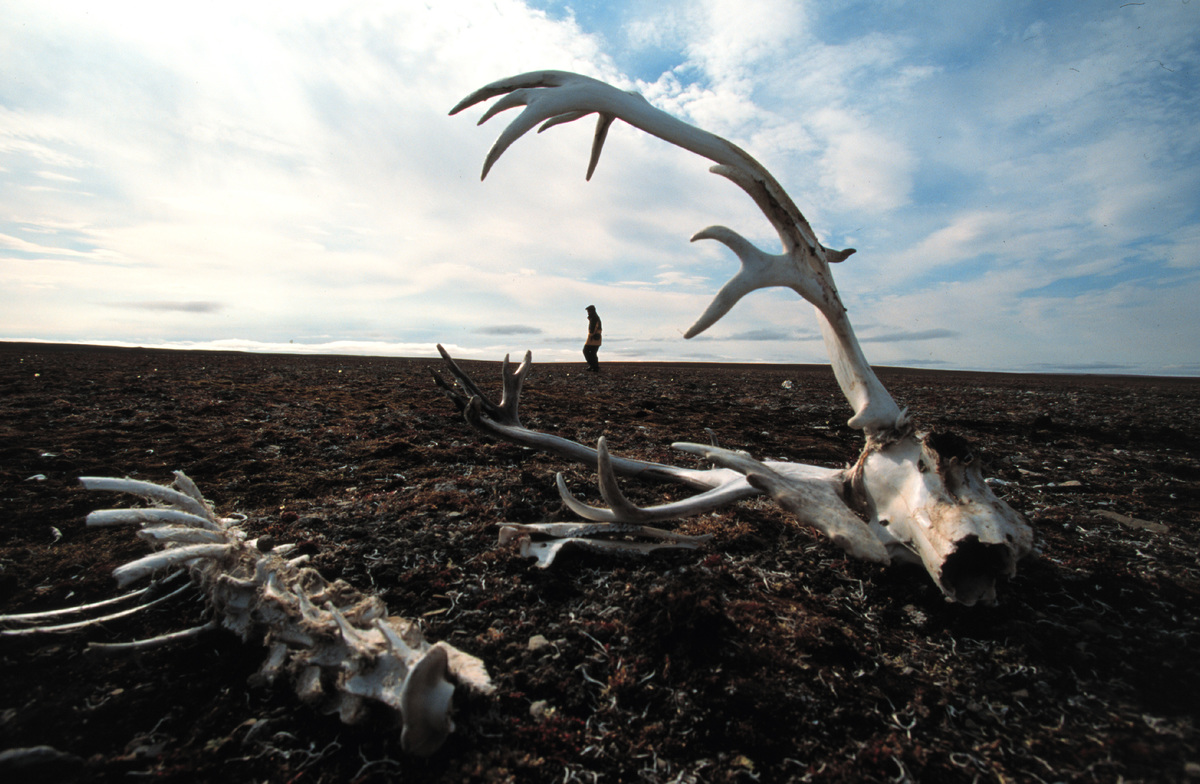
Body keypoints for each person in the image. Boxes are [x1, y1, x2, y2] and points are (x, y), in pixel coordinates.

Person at [583, 305, 602, 372]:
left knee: (586, 351)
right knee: (593, 353)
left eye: (588, 311)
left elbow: (592, 329)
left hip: (593, 339)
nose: (588, 312)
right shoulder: (595, 317)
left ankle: (593, 366)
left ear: (592, 311)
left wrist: (591, 335)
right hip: (596, 339)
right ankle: (594, 367)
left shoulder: (594, 318)